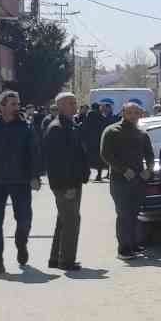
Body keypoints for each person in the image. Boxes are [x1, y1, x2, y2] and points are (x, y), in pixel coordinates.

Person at [0, 90, 41, 277]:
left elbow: (34, 153)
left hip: (20, 182)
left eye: (17, 103)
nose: (17, 107)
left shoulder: (25, 127)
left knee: (24, 220)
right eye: (12, 104)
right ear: (1, 106)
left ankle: (21, 245)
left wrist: (35, 176)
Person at [42, 91, 90, 271]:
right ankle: (67, 260)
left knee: (64, 219)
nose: (75, 106)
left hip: (73, 181)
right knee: (71, 220)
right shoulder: (57, 127)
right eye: (71, 103)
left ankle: (56, 258)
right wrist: (68, 185)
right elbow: (58, 162)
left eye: (75, 102)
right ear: (60, 106)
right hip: (66, 183)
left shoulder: (70, 124)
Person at [101, 102, 154, 258]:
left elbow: (149, 155)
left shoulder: (142, 133)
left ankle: (133, 244)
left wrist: (149, 170)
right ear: (123, 113)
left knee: (134, 213)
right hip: (120, 180)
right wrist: (123, 170)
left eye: (136, 113)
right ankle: (124, 249)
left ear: (140, 114)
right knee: (124, 213)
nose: (133, 116)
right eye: (129, 112)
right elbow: (105, 154)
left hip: (138, 179)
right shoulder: (111, 131)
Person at [80, 100, 114, 182]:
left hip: (90, 140)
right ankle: (99, 174)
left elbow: (84, 127)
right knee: (99, 158)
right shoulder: (101, 117)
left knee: (88, 157)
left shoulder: (89, 115)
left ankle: (87, 174)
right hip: (99, 139)